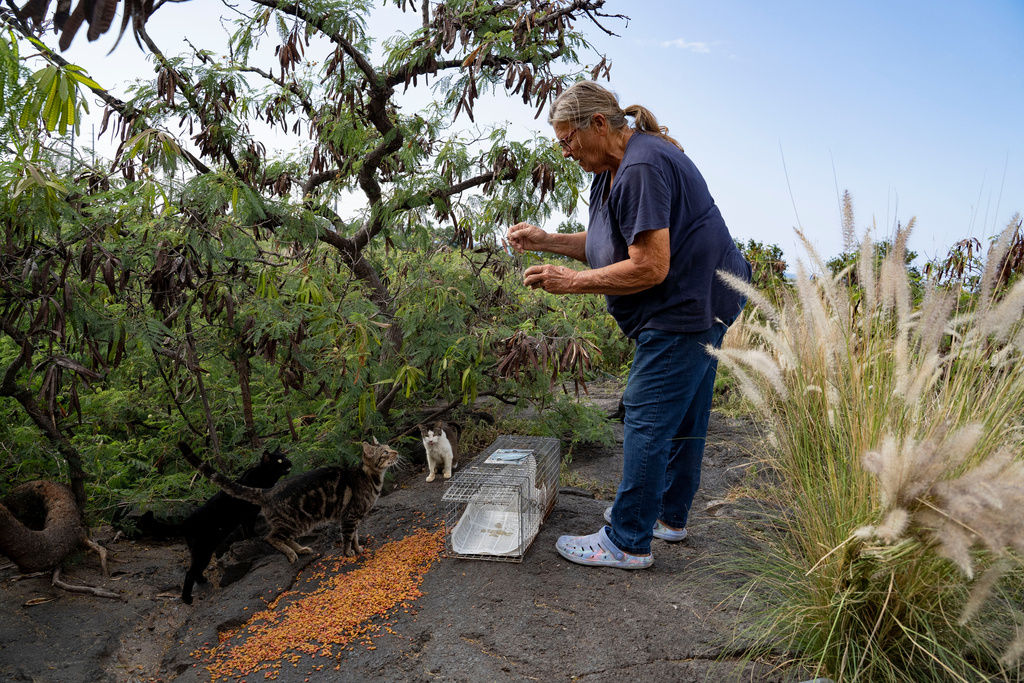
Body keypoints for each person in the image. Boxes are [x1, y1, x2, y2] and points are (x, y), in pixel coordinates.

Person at [506, 81, 750, 570]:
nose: (566, 151)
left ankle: (627, 540)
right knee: (684, 415)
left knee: (648, 410)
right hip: (709, 297)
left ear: (598, 124)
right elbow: (607, 242)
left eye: (568, 139)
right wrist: (547, 240)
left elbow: (650, 266)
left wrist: (571, 283)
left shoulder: (641, 166)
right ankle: (667, 516)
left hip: (686, 305)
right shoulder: (613, 166)